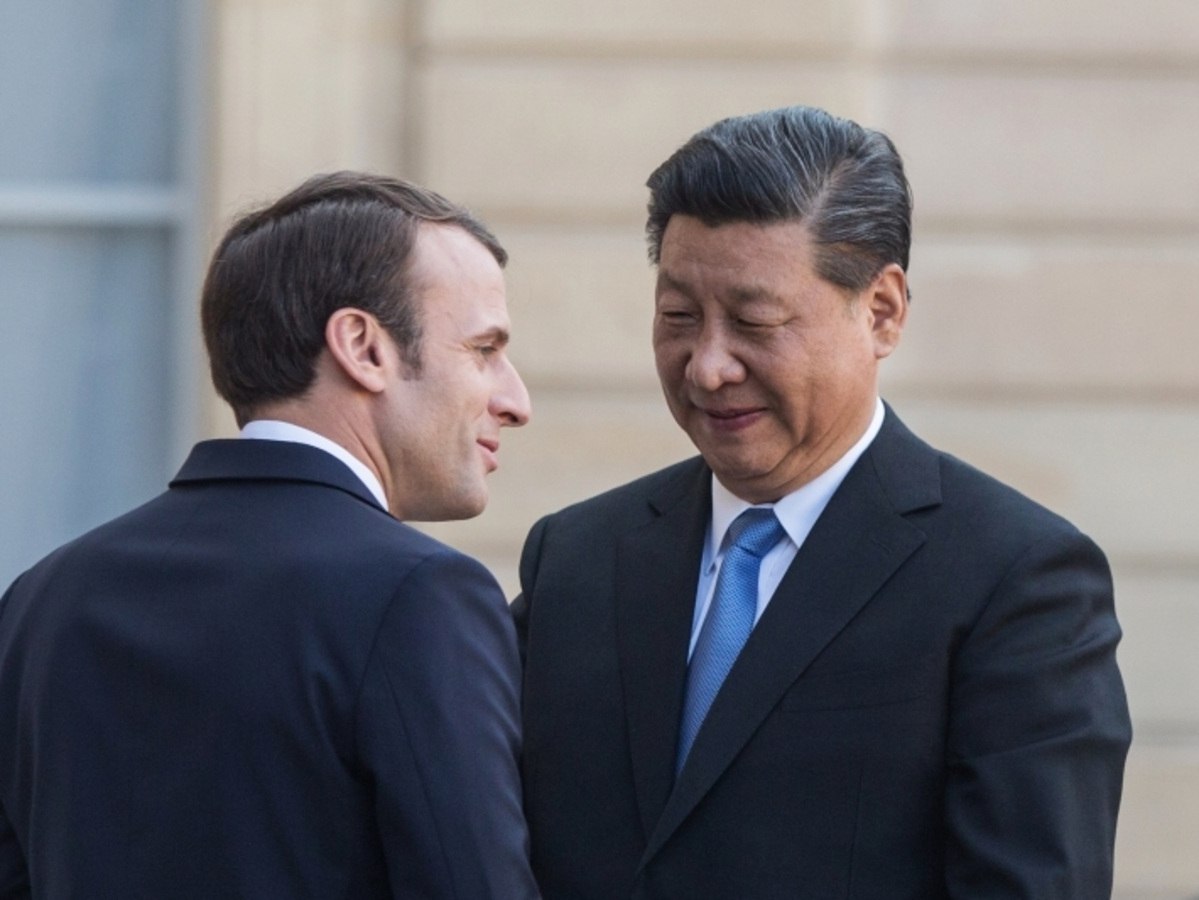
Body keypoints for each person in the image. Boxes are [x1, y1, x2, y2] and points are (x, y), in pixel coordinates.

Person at [514, 106, 1131, 898]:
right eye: (678, 318)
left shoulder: (1013, 580)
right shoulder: (575, 558)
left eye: (754, 322)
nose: (706, 366)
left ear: (881, 312)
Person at [0, 172, 539, 899]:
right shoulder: (419, 596)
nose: (515, 400)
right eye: (483, 349)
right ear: (363, 347)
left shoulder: (43, 598)